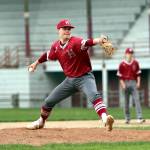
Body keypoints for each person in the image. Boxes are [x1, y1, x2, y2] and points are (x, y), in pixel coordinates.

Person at [27, 19, 114, 131]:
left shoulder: (76, 42)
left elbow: (87, 42)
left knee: (94, 95)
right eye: (65, 28)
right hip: (70, 80)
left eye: (69, 29)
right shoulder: (56, 46)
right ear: (59, 30)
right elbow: (47, 55)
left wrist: (99, 40)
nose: (67, 30)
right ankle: (41, 121)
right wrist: (36, 63)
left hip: (85, 77)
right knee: (49, 101)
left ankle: (105, 119)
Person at [117, 48, 145, 124]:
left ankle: (139, 118)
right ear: (126, 54)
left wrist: (138, 83)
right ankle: (127, 118)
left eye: (131, 53)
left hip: (133, 82)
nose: (130, 55)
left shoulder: (135, 63)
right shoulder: (122, 64)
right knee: (126, 102)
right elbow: (120, 76)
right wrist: (123, 84)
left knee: (137, 100)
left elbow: (138, 74)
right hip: (125, 82)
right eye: (129, 53)